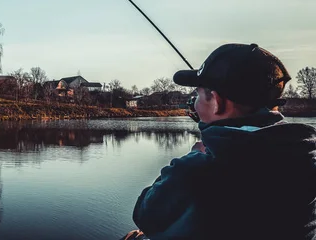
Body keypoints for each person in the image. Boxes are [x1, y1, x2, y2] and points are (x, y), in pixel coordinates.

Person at [126, 43, 316, 240]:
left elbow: (144, 215)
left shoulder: (193, 170)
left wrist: (195, 155)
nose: (195, 104)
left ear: (217, 102)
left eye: (197, 96)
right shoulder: (306, 158)